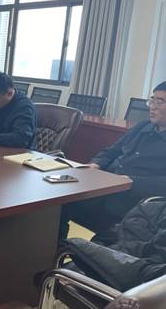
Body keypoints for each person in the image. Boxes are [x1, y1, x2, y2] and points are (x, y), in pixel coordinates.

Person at [60, 81, 166, 240]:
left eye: (160, 102)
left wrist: (131, 181)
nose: (153, 107)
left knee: (101, 242)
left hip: (134, 203)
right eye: (152, 100)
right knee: (58, 206)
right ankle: (53, 251)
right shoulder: (142, 126)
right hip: (105, 189)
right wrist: (96, 163)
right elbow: (112, 150)